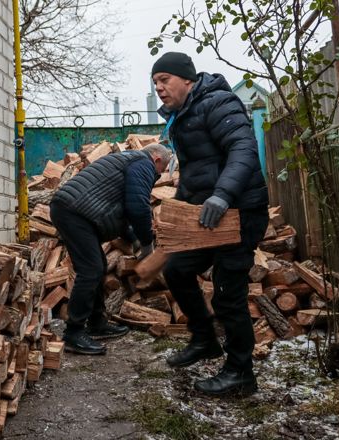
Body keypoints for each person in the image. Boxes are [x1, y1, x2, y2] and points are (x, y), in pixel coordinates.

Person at [151, 52, 269, 395]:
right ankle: (204, 339)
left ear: (187, 79)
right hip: (210, 216)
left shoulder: (217, 102)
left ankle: (240, 373)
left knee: (228, 294)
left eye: (165, 79)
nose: (159, 87)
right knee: (176, 270)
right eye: (155, 82)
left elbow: (243, 149)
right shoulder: (184, 115)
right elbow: (197, 172)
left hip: (240, 212)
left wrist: (222, 194)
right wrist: (182, 213)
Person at [50, 144, 172, 355]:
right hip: (75, 213)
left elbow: (119, 208)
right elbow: (137, 206)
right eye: (163, 169)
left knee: (98, 265)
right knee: (91, 269)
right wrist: (146, 244)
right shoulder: (143, 163)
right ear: (157, 160)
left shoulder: (129, 161)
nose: (160, 175)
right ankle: (73, 333)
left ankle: (97, 322)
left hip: (73, 210)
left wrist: (132, 239)